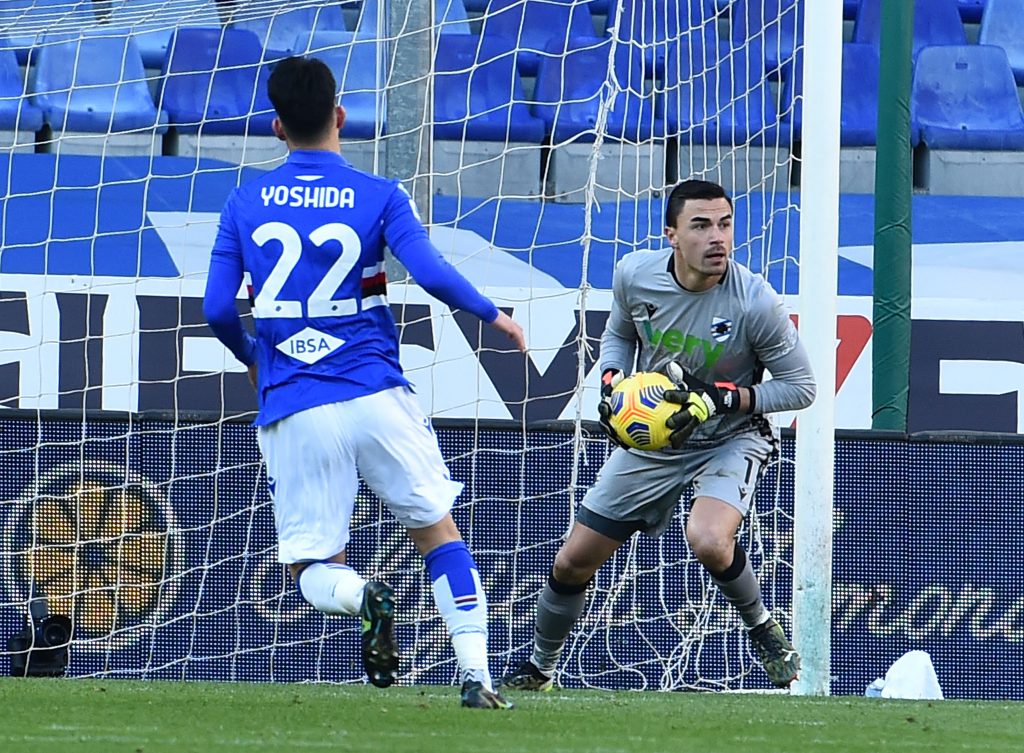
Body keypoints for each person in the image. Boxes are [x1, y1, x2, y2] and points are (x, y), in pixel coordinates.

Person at [203, 56, 526, 709]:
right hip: (377, 392)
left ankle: (363, 595)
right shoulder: (380, 194)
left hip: (295, 403)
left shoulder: (244, 201)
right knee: (438, 532)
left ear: (276, 127)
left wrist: (251, 355)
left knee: (311, 567)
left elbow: (215, 308)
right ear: (340, 117)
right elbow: (431, 273)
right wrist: (495, 315)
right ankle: (477, 678)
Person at [500, 179, 816, 692]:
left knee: (709, 540)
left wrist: (722, 397)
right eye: (701, 225)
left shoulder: (756, 302)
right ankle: (539, 667)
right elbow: (620, 334)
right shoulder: (634, 276)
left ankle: (761, 628)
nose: (718, 238)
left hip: (729, 435)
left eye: (725, 224)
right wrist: (610, 381)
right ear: (671, 234)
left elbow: (801, 388)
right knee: (572, 560)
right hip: (656, 438)